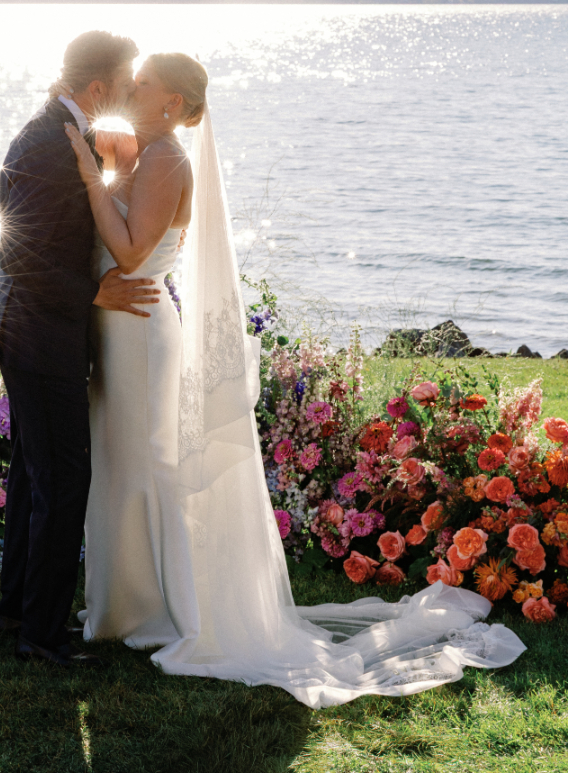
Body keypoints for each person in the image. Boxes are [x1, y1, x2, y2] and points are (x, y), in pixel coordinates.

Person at [64, 51, 526, 709]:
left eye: (143, 85)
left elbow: (135, 249)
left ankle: (148, 614)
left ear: (170, 104)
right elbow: (110, 164)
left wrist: (87, 176)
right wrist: (88, 146)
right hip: (120, 327)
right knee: (121, 466)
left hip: (137, 333)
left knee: (140, 469)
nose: (132, 91)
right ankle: (123, 607)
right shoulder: (146, 151)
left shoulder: (167, 159)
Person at [0, 30, 161, 669]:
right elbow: (19, 252)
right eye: (129, 79)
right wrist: (96, 292)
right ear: (98, 89)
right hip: (37, 335)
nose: (134, 90)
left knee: (35, 475)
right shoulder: (47, 141)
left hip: (35, 331)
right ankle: (42, 636)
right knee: (61, 478)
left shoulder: (66, 134)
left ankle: (19, 612)